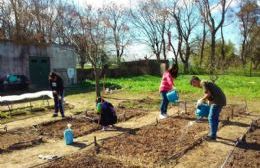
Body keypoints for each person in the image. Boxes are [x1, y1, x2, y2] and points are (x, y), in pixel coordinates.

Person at [190, 76, 226, 140]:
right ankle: (213, 133)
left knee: (211, 117)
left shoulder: (203, 83)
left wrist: (201, 100)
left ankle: (212, 136)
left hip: (217, 101)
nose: (196, 87)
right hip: (219, 99)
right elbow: (211, 93)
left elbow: (208, 94)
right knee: (214, 117)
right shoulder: (205, 82)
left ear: (195, 81)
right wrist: (208, 102)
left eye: (194, 85)